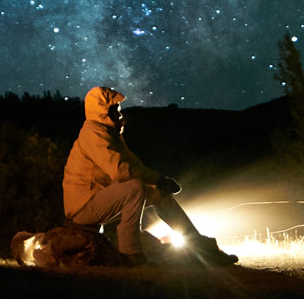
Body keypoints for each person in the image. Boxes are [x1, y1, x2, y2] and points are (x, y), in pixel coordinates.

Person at [62, 86, 237, 266]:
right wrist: (158, 179)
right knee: (134, 187)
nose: (120, 112)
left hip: (97, 202)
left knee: (158, 193)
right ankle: (130, 252)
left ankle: (201, 248)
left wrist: (160, 182)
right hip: (82, 208)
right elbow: (120, 171)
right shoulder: (93, 133)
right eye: (115, 108)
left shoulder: (108, 134)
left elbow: (135, 165)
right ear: (103, 111)